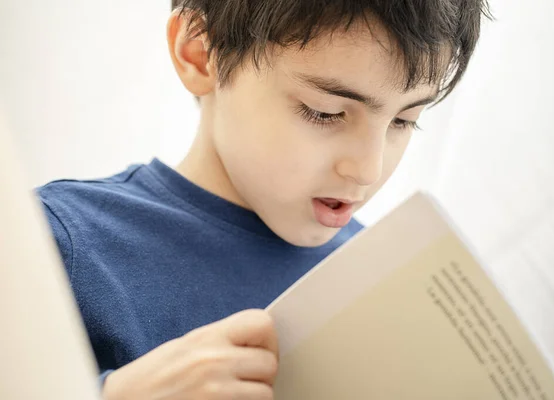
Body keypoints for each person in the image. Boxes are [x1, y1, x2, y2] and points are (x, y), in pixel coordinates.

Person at [37, 0, 490, 398]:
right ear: (199, 52)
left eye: (404, 121)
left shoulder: (387, 281)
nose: (368, 169)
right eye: (325, 112)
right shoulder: (54, 242)